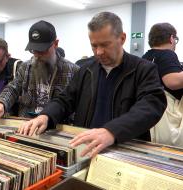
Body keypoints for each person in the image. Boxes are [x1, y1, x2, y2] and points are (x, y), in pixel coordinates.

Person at [18, 12, 166, 158]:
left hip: (126, 153)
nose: (99, 52)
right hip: (87, 151)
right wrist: (46, 116)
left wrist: (112, 131)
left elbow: (151, 107)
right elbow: (65, 100)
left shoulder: (143, 69)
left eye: (105, 45)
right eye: (94, 45)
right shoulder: (86, 70)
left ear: (122, 38)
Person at [0, 20, 78, 124]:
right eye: (33, 50)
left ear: (55, 44)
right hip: (25, 127)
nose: (37, 55)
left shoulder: (73, 71)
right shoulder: (25, 67)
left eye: (42, 50)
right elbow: (13, 88)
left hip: (56, 129)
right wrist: (0, 104)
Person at [142, 23, 182, 99]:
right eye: (175, 39)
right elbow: (173, 82)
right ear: (171, 38)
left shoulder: (145, 56)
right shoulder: (167, 54)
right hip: (167, 107)